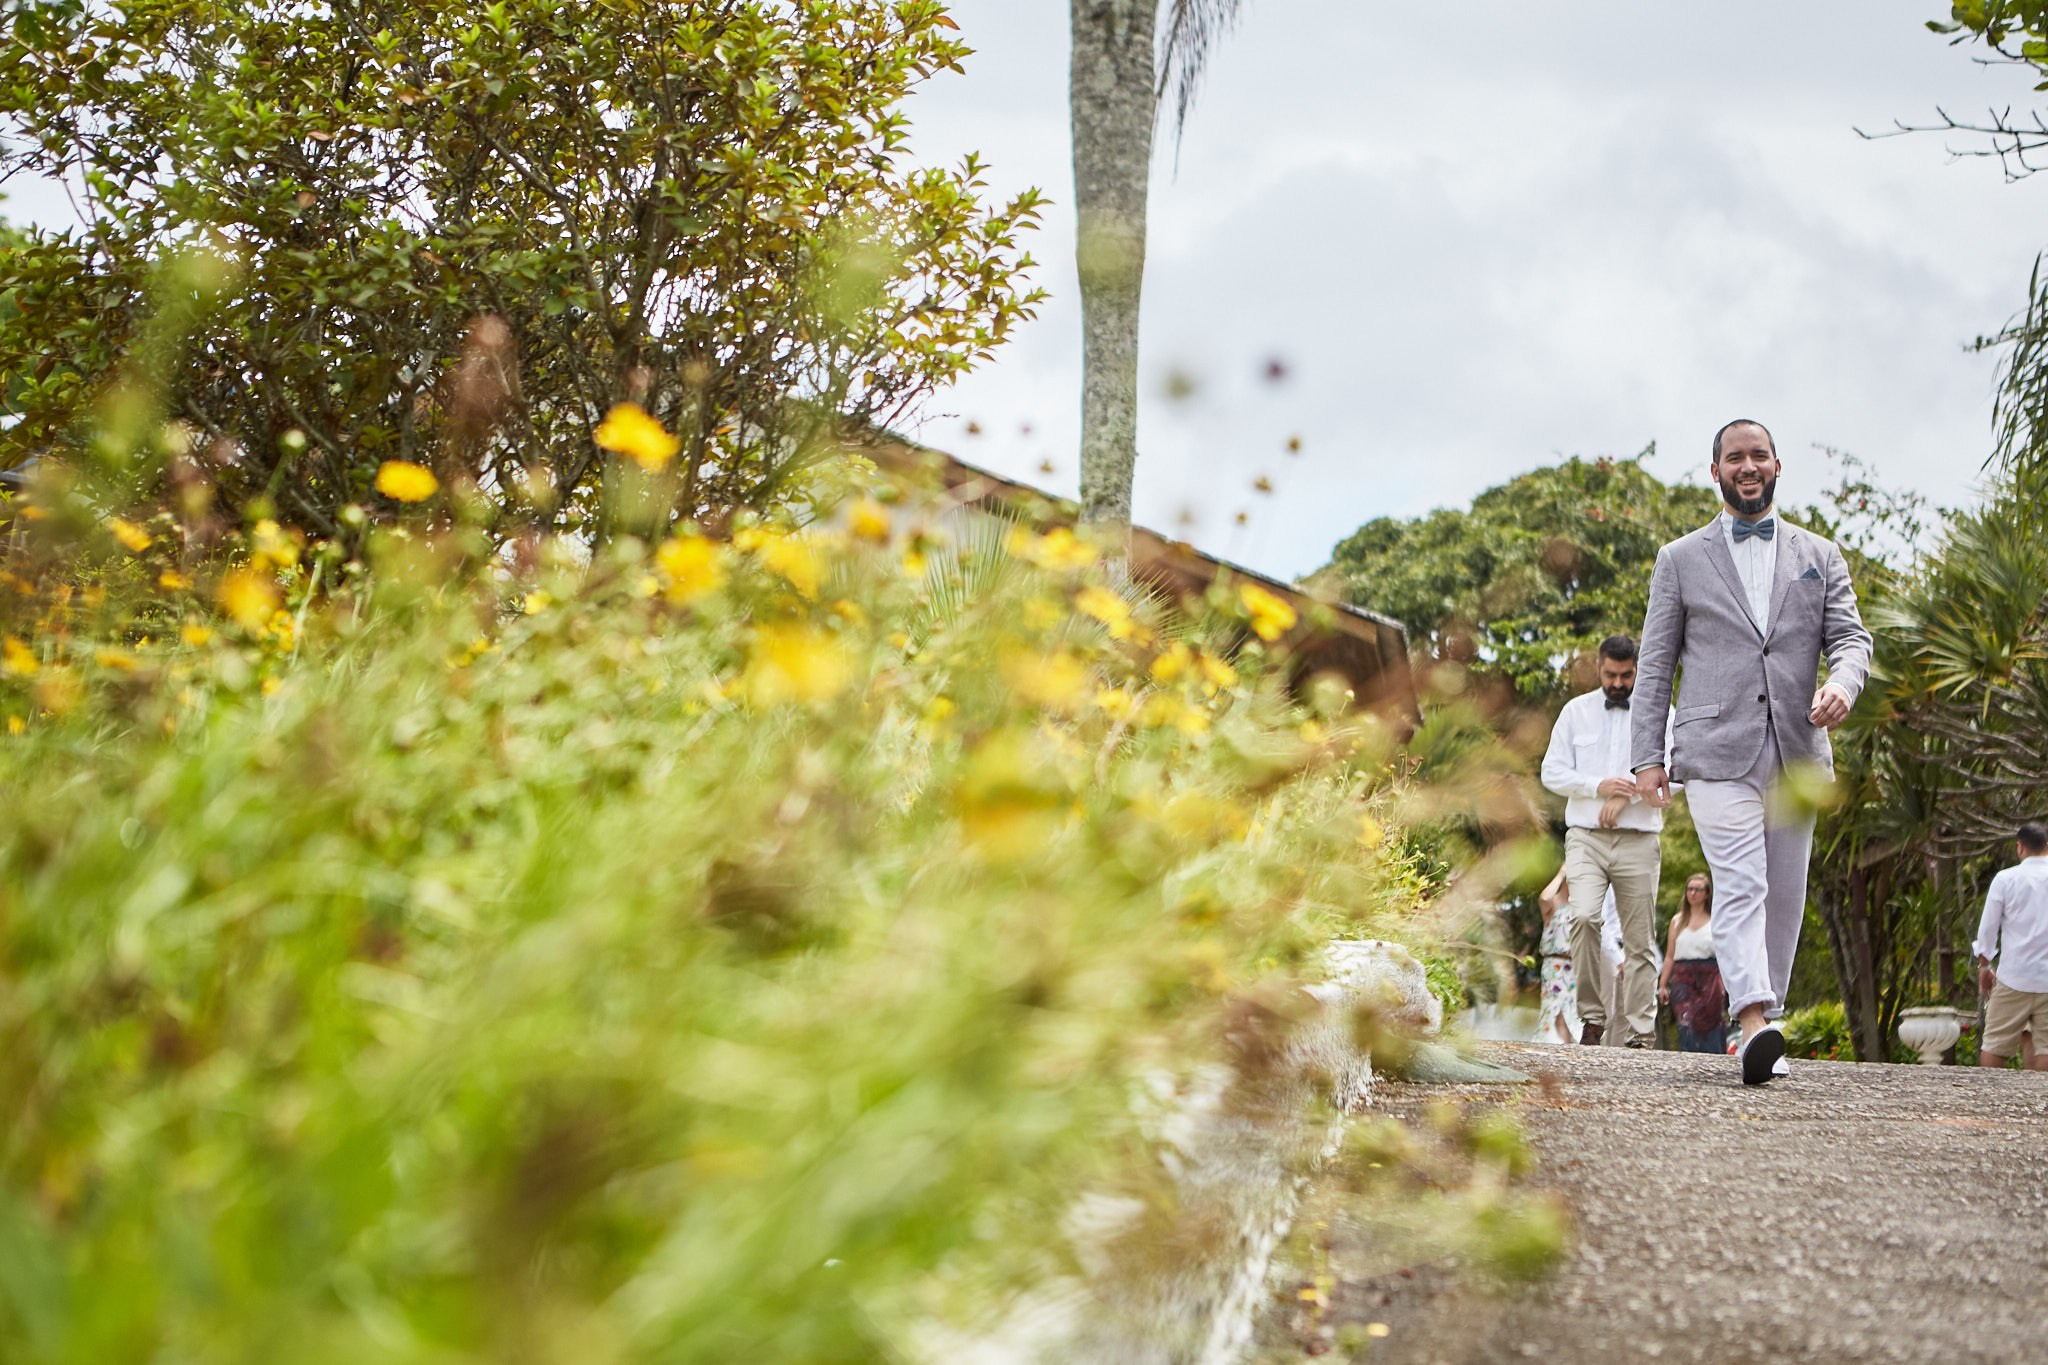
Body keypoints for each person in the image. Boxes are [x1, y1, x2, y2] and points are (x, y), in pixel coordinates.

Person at [1633, 419, 1872, 1085]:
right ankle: (1757, 1020)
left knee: (1785, 895)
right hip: (1714, 749)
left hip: (1797, 750)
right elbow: (1655, 666)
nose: (1747, 465)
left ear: (1776, 465)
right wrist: (1646, 756)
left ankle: (1761, 1019)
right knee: (1742, 882)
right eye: (1734, 456)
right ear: (1715, 471)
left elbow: (1852, 640)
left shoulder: (1819, 556)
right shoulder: (1679, 559)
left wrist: (1843, 685)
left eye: (1757, 455)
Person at [1540, 634, 1670, 1048]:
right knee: (1583, 918)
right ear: (1599, 668)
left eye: (1626, 675)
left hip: (1639, 838)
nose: (1618, 683)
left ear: (1637, 670)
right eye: (1611, 674)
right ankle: (1592, 1019)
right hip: (1586, 837)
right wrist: (1599, 786)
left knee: (1639, 939)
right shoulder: (1575, 712)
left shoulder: (1661, 714)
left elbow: (1679, 775)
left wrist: (1629, 790)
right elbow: (1551, 773)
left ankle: (1641, 1032)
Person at [1972, 821, 2048, 1071]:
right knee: (2045, 1048)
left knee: (1994, 1047)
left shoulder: (2006, 879)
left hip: (2014, 977)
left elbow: (1988, 929)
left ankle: (1991, 1105)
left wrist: (1985, 967)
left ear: (2019, 847)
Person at [1659, 873, 1727, 1053]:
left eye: (1698, 889)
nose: (1693, 893)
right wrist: (1663, 984)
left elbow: (1724, 955)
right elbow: (1669, 956)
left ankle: (1714, 1060)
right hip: (1683, 978)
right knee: (1686, 1022)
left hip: (1710, 977)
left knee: (1712, 1023)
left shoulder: (1715, 920)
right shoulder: (1677, 921)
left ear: (1706, 893)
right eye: (1690, 889)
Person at [1532, 867, 1581, 1044]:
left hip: (1574, 966)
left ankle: (1567, 1048)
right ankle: (1557, 1048)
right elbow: (1543, 898)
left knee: (1571, 1011)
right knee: (1554, 1008)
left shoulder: (1580, 906)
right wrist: (1561, 873)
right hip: (1554, 964)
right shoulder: (1554, 902)